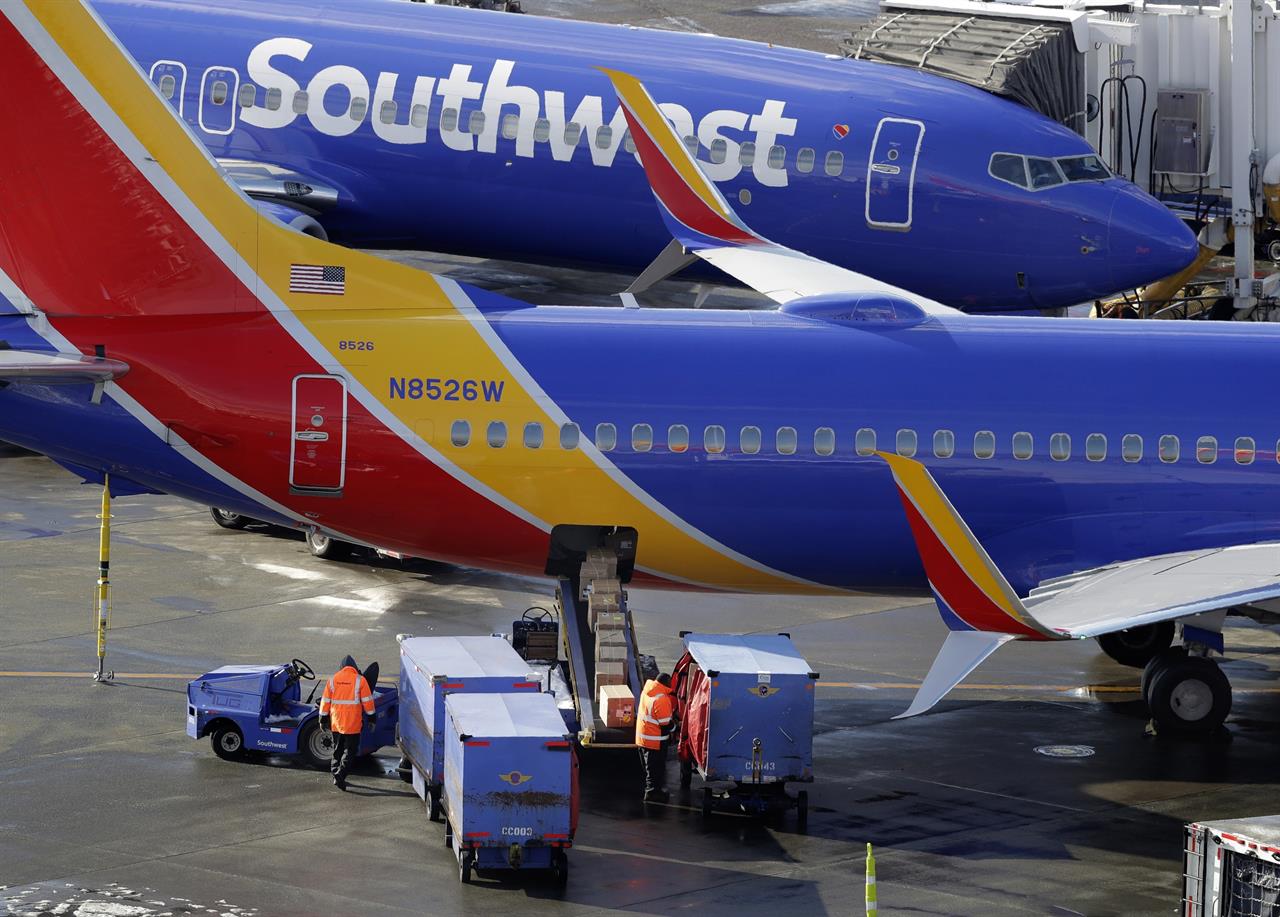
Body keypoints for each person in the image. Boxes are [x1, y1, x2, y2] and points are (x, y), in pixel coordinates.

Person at [319, 654, 375, 790]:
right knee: (350, 751)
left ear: (341, 667)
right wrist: (372, 719)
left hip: (337, 723)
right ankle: (341, 774)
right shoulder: (360, 681)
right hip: (353, 724)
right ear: (355, 667)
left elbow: (325, 702)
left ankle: (335, 774)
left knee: (337, 749)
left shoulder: (332, 680)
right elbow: (368, 703)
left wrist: (322, 719)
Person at [635, 673, 675, 802]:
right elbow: (665, 724)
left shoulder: (647, 691)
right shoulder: (662, 699)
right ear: (666, 684)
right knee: (655, 769)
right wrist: (676, 728)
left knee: (649, 768)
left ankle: (653, 790)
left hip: (643, 738)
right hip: (655, 741)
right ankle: (652, 793)